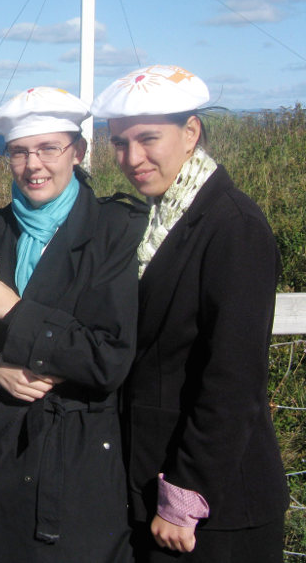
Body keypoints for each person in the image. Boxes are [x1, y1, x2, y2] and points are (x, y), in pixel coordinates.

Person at [91, 64, 289, 563]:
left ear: (191, 132)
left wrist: (186, 493)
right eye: (119, 143)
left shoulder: (232, 224)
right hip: (152, 483)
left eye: (148, 138)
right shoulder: (163, 216)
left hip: (212, 505)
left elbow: (234, 374)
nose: (132, 157)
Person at [0, 87, 145, 562]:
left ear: (78, 152)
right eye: (19, 152)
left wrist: (17, 313)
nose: (33, 165)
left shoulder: (115, 231)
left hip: (77, 462)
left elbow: (109, 359)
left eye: (48, 149)